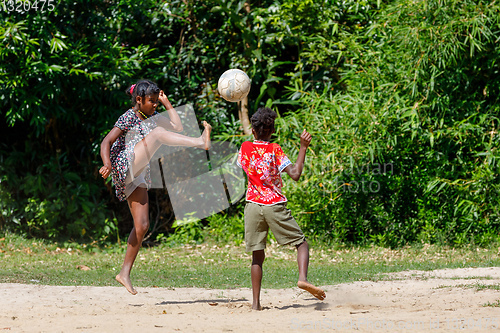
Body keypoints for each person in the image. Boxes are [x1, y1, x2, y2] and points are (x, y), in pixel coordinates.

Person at [99, 79, 211, 295]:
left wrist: (167, 104)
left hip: (138, 172)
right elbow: (106, 142)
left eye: (156, 102)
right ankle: (199, 142)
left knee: (142, 226)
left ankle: (124, 273)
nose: (154, 105)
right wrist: (107, 164)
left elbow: (178, 127)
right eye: (151, 101)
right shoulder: (128, 116)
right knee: (159, 135)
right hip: (124, 164)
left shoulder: (153, 118)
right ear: (138, 100)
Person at [237, 107, 326, 310]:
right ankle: (302, 278)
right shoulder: (274, 149)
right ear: (272, 130)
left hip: (252, 205)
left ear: (253, 129)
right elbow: (295, 174)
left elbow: (243, 166)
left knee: (257, 256)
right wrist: (303, 147)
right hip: (274, 205)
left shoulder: (245, 147)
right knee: (301, 244)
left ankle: (256, 304)